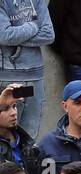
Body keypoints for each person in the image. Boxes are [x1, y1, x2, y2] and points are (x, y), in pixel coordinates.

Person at [0, 0, 52, 136]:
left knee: (28, 137)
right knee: (6, 135)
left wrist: (18, 37)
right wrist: (33, 27)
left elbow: (48, 35)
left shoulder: (37, 1)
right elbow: (5, 36)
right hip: (10, 80)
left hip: (34, 80)